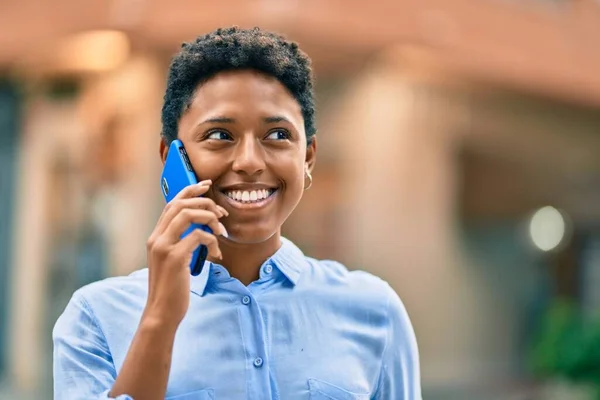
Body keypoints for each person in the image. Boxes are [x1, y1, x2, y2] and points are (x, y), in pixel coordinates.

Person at [53, 26, 422, 400]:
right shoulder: (95, 317)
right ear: (170, 157)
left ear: (307, 156)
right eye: (220, 135)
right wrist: (159, 320)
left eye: (278, 135)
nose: (248, 162)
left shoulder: (376, 311)